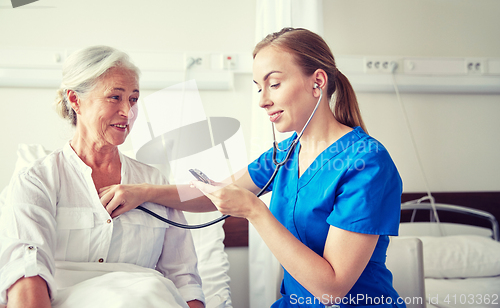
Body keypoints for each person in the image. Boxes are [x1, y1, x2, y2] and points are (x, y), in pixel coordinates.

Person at [99, 28, 404, 307]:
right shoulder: (284, 155)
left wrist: (255, 211)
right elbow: (215, 194)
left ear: (318, 82)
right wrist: (144, 192)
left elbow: (332, 289)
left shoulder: (367, 163)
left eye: (274, 84)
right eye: (259, 88)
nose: (263, 101)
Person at [0, 46, 205, 308]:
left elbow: (184, 278)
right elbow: (26, 271)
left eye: (133, 99)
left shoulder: (154, 183)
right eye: (114, 97)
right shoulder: (37, 181)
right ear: (75, 100)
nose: (128, 112)